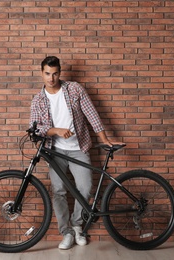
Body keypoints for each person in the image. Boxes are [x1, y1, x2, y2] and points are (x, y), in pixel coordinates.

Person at [29, 56, 118, 250]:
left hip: (79, 147)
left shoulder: (75, 89)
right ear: (41, 73)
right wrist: (56, 131)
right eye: (47, 74)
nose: (51, 78)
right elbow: (35, 129)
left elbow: (92, 114)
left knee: (85, 188)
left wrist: (104, 139)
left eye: (54, 74)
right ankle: (66, 232)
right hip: (55, 151)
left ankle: (77, 225)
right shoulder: (38, 100)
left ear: (60, 73)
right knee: (59, 191)